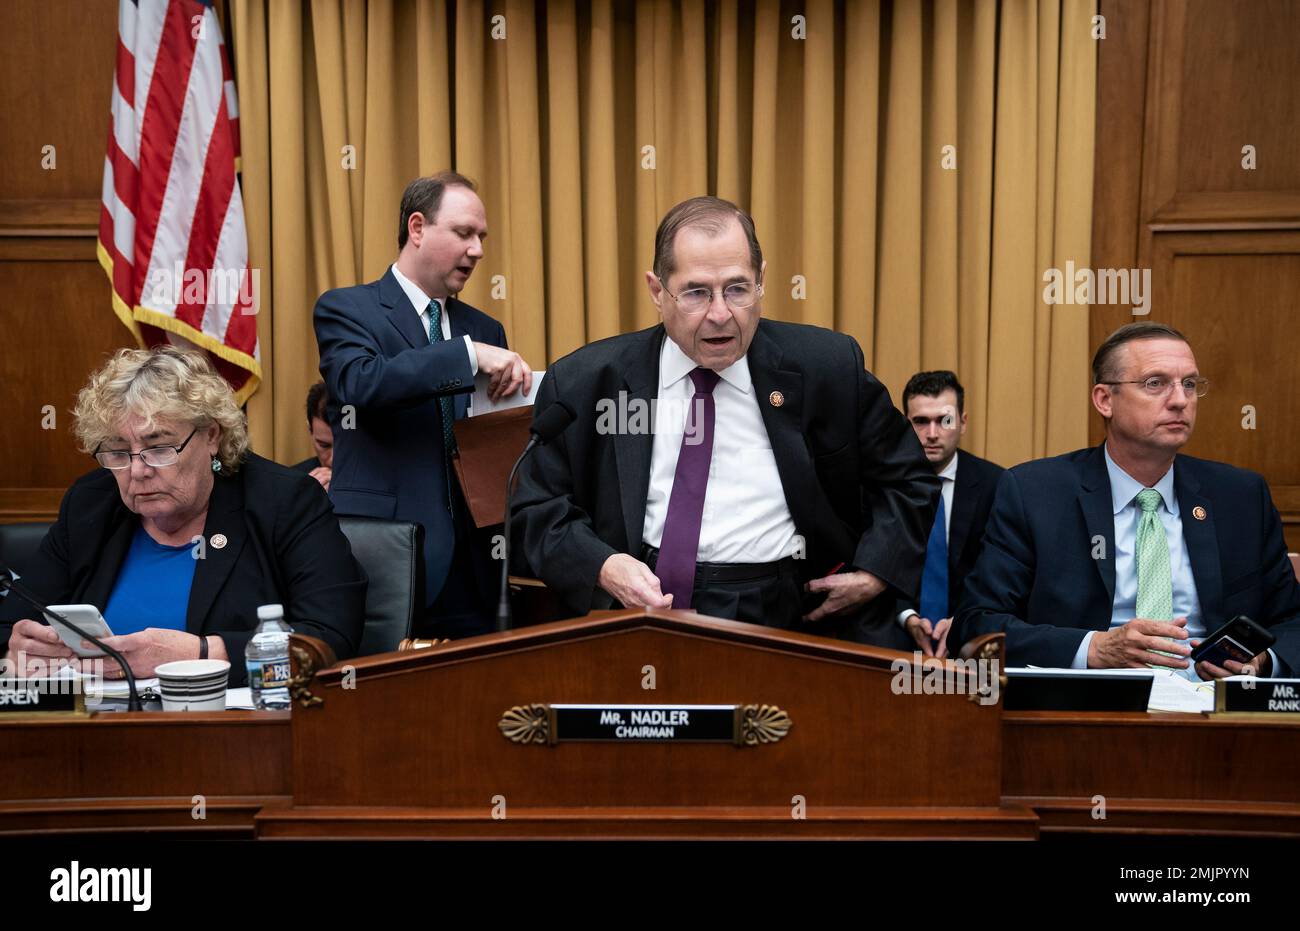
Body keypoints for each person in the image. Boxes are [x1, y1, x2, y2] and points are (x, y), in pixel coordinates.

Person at [512, 196, 938, 642]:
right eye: (696, 292)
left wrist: (875, 571)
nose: (720, 314)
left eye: (736, 288)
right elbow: (538, 509)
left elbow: (908, 481)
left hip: (786, 611)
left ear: (761, 282)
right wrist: (602, 565)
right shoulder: (586, 382)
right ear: (658, 292)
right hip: (637, 610)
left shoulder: (825, 367)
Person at [952, 322, 1300, 677]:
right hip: (1091, 710)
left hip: (1214, 712)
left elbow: (1292, 621)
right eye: (1155, 383)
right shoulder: (1034, 493)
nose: (1180, 400)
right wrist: (1093, 648)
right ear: (1105, 400)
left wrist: (1262, 662)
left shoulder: (1240, 497)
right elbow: (977, 626)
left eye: (1190, 384)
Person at [0, 346, 366, 684]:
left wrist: (201, 653)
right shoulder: (90, 504)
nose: (138, 470)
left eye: (159, 448)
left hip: (233, 734)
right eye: (118, 451)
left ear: (211, 437)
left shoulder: (285, 501)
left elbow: (329, 639)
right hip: (98, 730)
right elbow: (12, 623)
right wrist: (19, 647)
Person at [314, 171, 533, 640]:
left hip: (475, 565)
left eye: (481, 237)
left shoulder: (485, 328)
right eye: (463, 233)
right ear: (417, 228)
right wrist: (467, 355)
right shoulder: (348, 309)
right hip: (383, 558)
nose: (477, 250)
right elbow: (360, 383)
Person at [894, 371, 1004, 658]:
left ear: (963, 423)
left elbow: (996, 572)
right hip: (894, 637)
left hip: (972, 633)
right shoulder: (881, 484)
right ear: (906, 424)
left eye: (944, 421)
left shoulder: (997, 484)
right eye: (920, 421)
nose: (932, 433)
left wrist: (963, 618)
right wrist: (906, 616)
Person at [292, 381, 333, 491]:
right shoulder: (291, 482)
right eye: (324, 445)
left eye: (344, 446)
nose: (333, 459)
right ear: (310, 429)